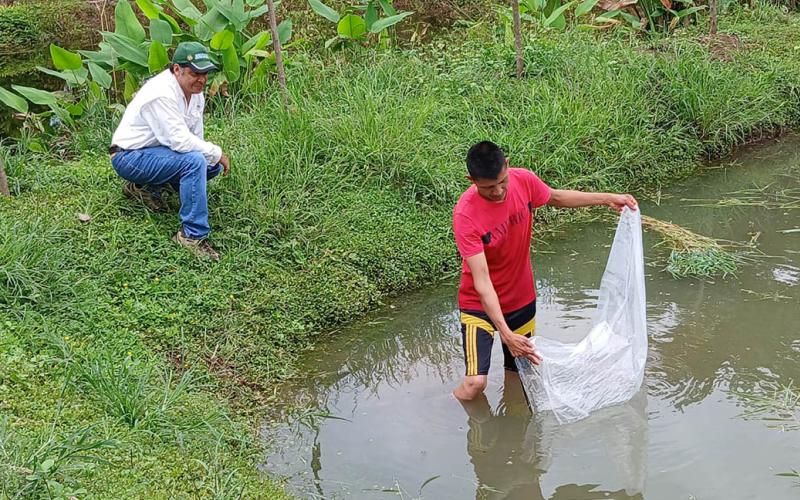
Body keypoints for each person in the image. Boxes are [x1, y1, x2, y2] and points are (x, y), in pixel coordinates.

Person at [452, 141, 638, 401]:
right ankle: (452, 413)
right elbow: (482, 282)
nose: (498, 192)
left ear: (507, 165)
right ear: (471, 180)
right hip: (478, 306)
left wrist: (608, 198)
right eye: (488, 188)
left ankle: (513, 423)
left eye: (502, 182)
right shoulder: (466, 215)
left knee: (520, 375)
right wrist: (506, 334)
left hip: (521, 300)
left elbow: (557, 197)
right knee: (475, 384)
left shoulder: (524, 180)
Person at [109, 41, 231, 261]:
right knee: (196, 161)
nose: (202, 80)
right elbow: (180, 141)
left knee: (209, 165)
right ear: (177, 69)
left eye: (205, 74)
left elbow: (195, 137)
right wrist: (216, 152)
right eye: (195, 73)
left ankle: (144, 188)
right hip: (128, 156)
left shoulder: (195, 93)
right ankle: (191, 236)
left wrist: (211, 156)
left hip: (157, 152)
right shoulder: (161, 93)